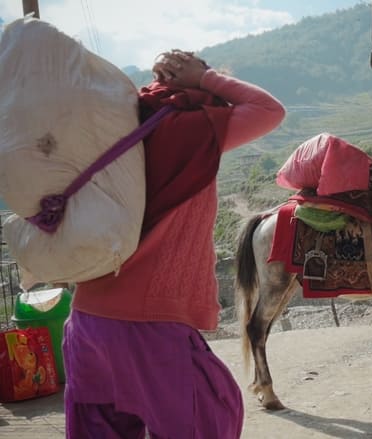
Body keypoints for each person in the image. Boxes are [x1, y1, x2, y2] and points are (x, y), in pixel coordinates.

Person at [62, 50, 285, 438]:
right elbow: (268, 109)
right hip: (150, 325)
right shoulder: (195, 130)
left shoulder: (116, 126)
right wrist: (209, 77)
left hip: (86, 320)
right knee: (207, 419)